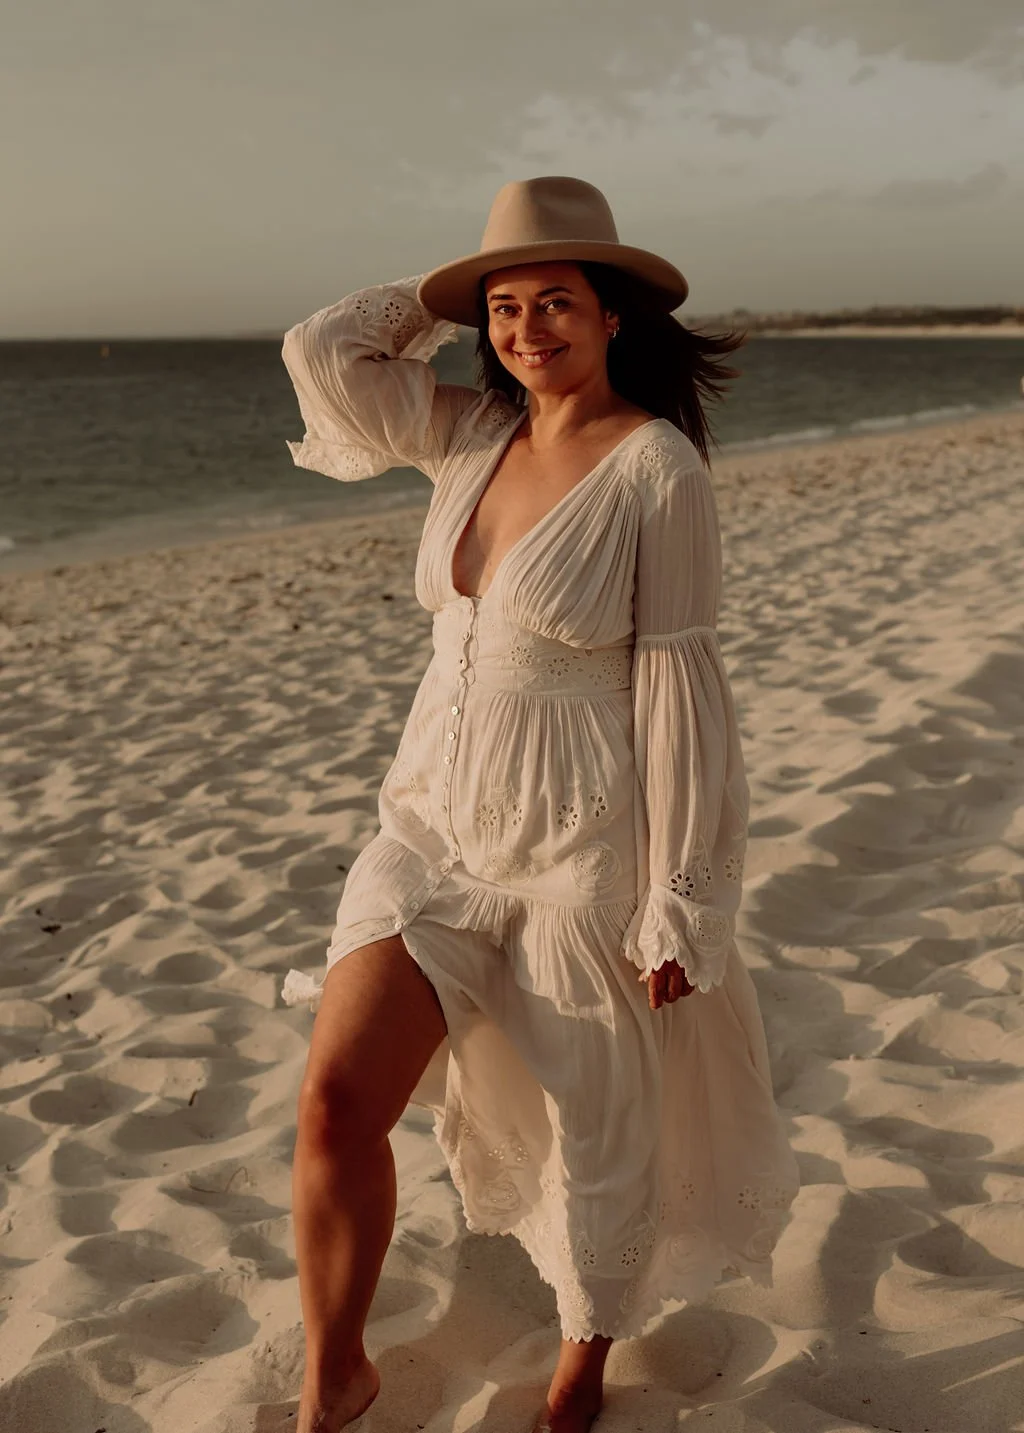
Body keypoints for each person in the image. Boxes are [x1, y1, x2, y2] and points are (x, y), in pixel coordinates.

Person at [279, 175, 800, 1433]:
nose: (525, 329)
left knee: (599, 1131)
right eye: (502, 308)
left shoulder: (655, 465)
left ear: (612, 315)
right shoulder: (468, 432)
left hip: (579, 848)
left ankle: (581, 1363)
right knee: (338, 1099)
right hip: (431, 828)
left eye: (554, 300)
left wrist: (680, 891)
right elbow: (321, 355)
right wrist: (444, 288)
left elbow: (680, 687)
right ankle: (332, 1366)